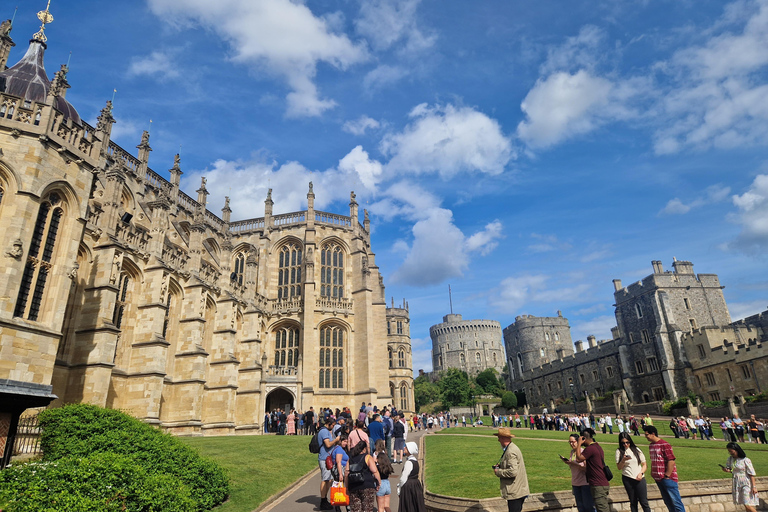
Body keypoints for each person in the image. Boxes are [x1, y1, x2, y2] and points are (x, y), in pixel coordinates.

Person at [643, 425, 685, 512]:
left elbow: (671, 460)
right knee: (668, 502)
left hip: (667, 478)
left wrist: (667, 475)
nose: (646, 436)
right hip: (658, 478)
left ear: (653, 434)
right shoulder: (651, 445)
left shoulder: (664, 444)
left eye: (647, 434)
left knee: (676, 502)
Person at [493, 427, 528, 512]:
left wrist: (498, 471)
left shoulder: (510, 451)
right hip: (519, 489)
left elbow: (512, 472)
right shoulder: (512, 448)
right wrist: (501, 466)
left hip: (515, 491)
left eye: (499, 438)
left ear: (503, 438)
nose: (498, 440)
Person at [575, 428, 610, 512]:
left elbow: (578, 459)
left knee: (602, 510)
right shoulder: (597, 446)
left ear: (584, 438)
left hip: (598, 484)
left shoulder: (590, 449)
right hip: (601, 483)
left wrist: (579, 444)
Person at [616, 432, 650, 512]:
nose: (625, 444)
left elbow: (644, 465)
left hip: (639, 478)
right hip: (627, 478)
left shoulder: (636, 450)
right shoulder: (619, 451)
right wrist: (623, 460)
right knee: (633, 501)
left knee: (644, 501)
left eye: (627, 442)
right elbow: (619, 467)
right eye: (623, 443)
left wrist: (641, 473)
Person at [721, 443, 759, 512]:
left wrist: (754, 486)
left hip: (746, 483)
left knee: (747, 504)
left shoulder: (745, 460)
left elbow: (751, 474)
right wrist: (726, 470)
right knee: (745, 504)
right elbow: (731, 470)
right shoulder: (730, 459)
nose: (730, 453)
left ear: (736, 450)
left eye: (731, 451)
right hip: (737, 482)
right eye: (729, 451)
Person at [562, 433, 595, 512]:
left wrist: (574, 464)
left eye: (573, 442)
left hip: (584, 483)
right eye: (569, 442)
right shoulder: (572, 452)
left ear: (578, 441)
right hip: (575, 483)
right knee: (580, 507)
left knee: (588, 507)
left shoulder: (583, 452)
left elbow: (588, 469)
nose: (571, 444)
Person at [346, 439, 381, 512]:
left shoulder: (350, 459)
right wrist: (379, 482)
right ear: (364, 449)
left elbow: (346, 473)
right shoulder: (367, 457)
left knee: (356, 509)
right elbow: (375, 471)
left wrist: (347, 487)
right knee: (367, 508)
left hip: (353, 486)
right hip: (367, 486)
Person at [318, 418, 340, 510]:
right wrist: (336, 440)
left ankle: (325, 499)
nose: (333, 427)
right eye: (333, 425)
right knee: (325, 479)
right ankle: (323, 501)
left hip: (328, 458)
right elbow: (327, 444)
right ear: (329, 424)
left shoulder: (327, 431)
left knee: (329, 480)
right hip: (324, 458)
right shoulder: (324, 432)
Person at [398, 442, 426, 512]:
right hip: (416, 485)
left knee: (408, 506)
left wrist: (399, 490)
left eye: (406, 447)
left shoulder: (409, 462)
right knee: (414, 506)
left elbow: (403, 478)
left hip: (408, 487)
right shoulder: (415, 461)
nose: (404, 448)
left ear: (410, 450)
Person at [374, 439, 394, 512]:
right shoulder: (387, 467)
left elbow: (374, 474)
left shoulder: (377, 467)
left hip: (380, 485)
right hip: (387, 484)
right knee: (386, 506)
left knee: (380, 508)